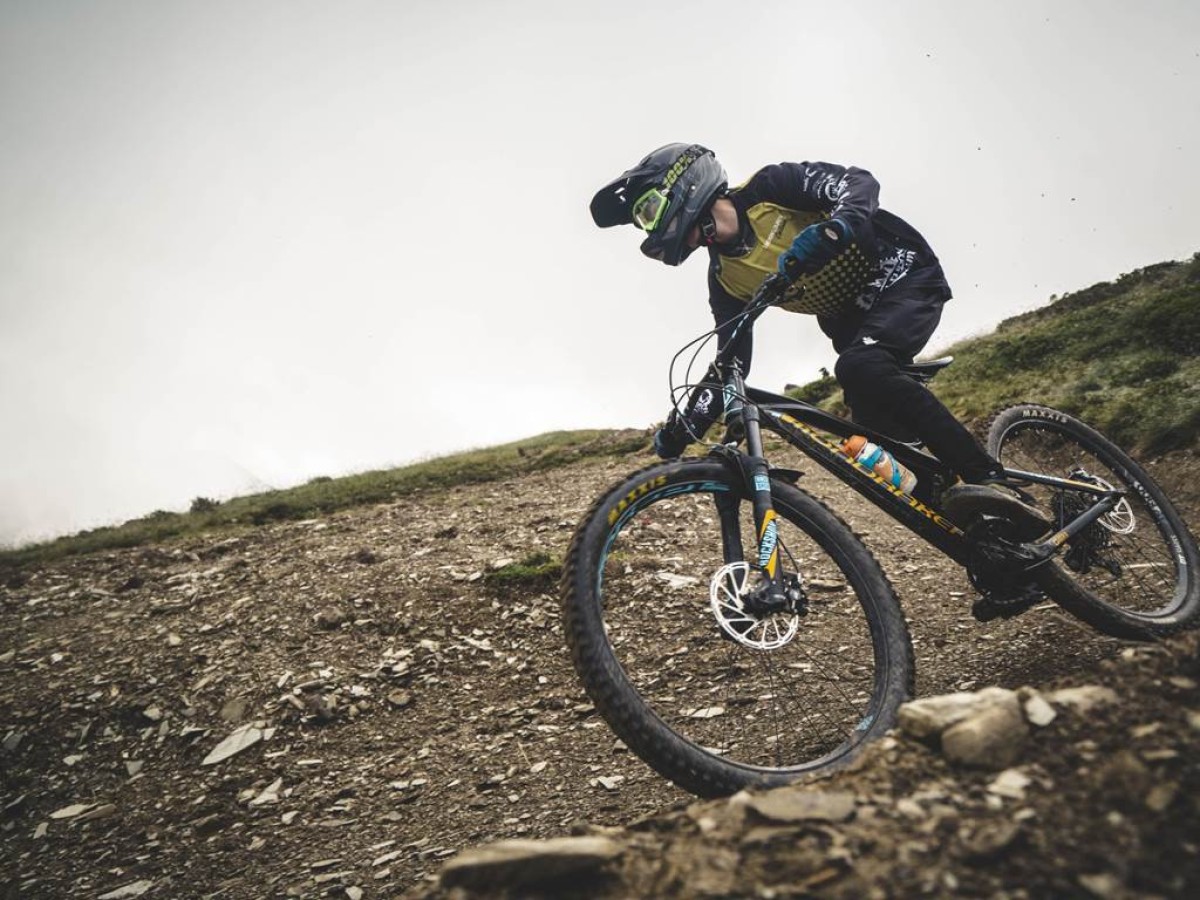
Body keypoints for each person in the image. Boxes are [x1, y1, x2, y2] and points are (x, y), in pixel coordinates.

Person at [589, 142, 1023, 509]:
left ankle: (991, 479)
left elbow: (858, 183)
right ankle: (981, 533)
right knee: (875, 453)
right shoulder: (724, 279)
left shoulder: (770, 188)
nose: (648, 227)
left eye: (647, 212)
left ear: (682, 184)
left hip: (904, 277)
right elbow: (731, 364)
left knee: (860, 367)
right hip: (854, 329)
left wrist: (835, 229)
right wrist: (682, 429)